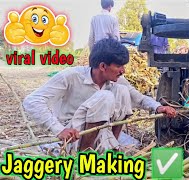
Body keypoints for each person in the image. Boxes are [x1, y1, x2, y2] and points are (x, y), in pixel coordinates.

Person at [23, 38, 176, 153]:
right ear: (103, 66)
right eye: (119, 66)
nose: (123, 70)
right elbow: (32, 101)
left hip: (104, 133)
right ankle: (85, 157)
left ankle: (111, 149)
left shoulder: (118, 81)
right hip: (74, 136)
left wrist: (158, 107)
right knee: (105, 97)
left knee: (123, 94)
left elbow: (139, 99)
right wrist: (58, 129)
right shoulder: (70, 77)